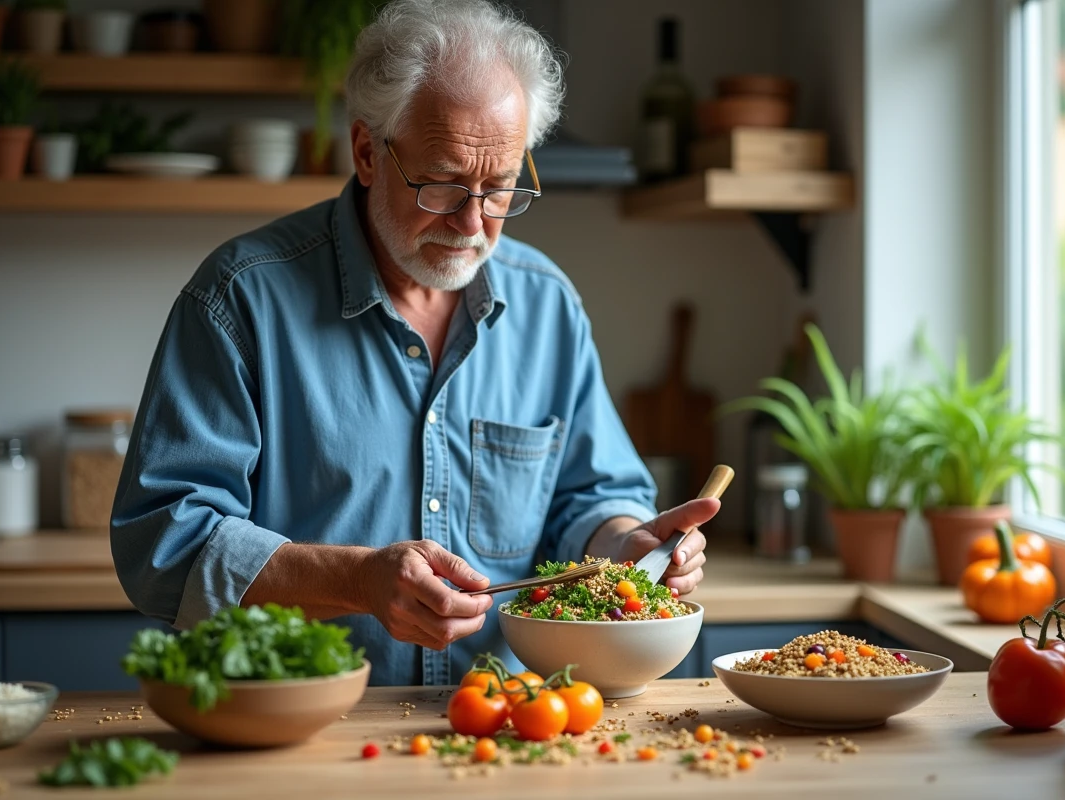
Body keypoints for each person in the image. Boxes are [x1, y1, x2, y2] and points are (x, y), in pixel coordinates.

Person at [110, 0, 720, 686]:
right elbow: (161, 540)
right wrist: (355, 580)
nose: (472, 222)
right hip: (299, 728)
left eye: (500, 188)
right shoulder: (240, 299)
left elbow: (588, 496)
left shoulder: (545, 303)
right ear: (368, 151)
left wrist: (623, 542)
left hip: (505, 726)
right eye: (443, 184)